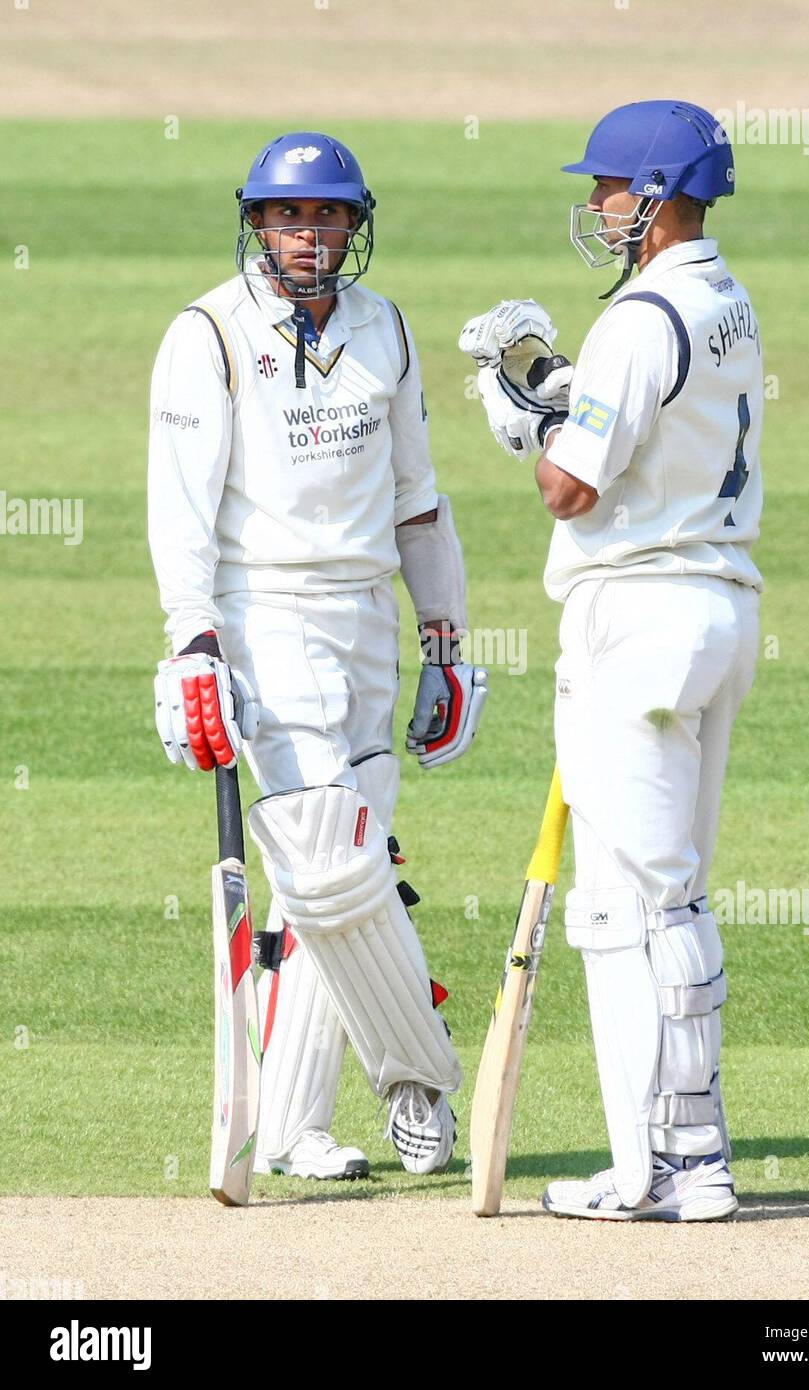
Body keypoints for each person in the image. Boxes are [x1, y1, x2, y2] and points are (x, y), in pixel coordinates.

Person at [149, 131, 487, 1183]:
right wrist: (191, 640)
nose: (310, 236)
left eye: (329, 217)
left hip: (368, 618)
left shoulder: (384, 326)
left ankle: (295, 1126)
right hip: (264, 614)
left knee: (318, 886)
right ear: (255, 223)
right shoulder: (205, 332)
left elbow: (417, 499)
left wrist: (446, 639)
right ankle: (418, 1077)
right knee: (335, 857)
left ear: (354, 225)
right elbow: (181, 508)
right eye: (290, 217)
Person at [460, 100, 762, 1221]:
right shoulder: (725, 298)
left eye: (608, 187)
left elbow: (569, 485)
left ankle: (672, 1167)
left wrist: (526, 415)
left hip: (636, 617)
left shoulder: (641, 316)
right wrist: (566, 396)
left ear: (658, 194)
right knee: (658, 887)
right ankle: (680, 1154)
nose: (593, 204)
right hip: (716, 611)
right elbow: (642, 423)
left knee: (634, 903)